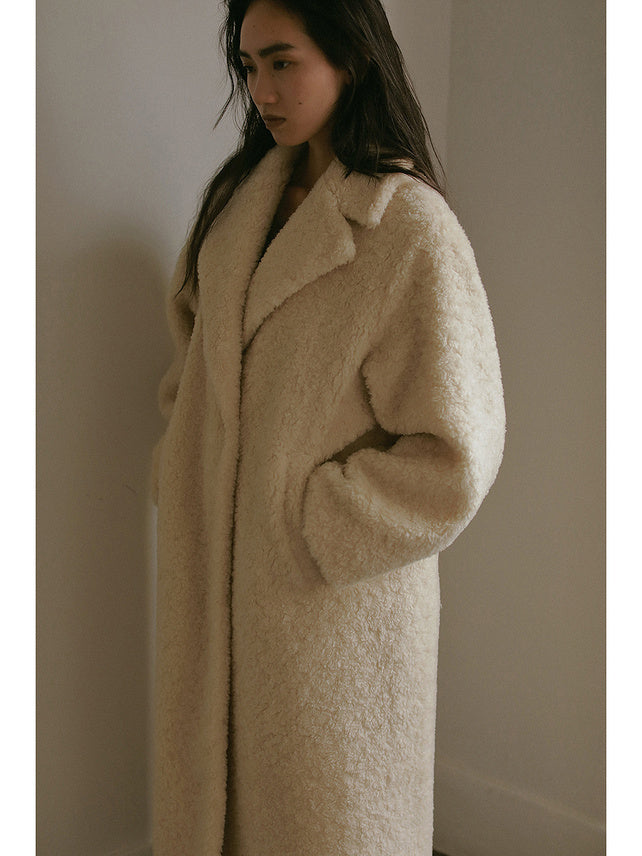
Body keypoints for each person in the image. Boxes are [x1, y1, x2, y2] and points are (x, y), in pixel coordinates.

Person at [151, 1, 505, 854]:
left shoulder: (407, 229)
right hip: (216, 584)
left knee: (325, 823)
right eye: (249, 68)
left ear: (351, 58)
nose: (262, 91)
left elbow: (457, 452)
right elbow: (193, 365)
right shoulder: (236, 208)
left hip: (329, 613)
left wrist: (313, 520)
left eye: (283, 62)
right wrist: (184, 464)